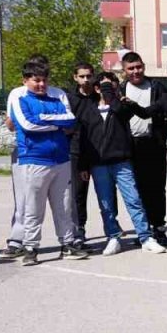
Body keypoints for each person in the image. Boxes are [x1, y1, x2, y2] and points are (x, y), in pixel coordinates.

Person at [71, 72, 166, 255]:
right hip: (99, 164)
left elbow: (129, 112)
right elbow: (82, 139)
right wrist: (83, 165)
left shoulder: (121, 107)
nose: (108, 90)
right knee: (106, 204)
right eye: (104, 87)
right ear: (96, 88)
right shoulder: (89, 111)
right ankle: (113, 237)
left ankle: (145, 237)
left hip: (122, 162)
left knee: (134, 200)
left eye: (112, 86)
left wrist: (112, 95)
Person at [10, 59, 89, 265]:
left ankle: (68, 244)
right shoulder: (20, 97)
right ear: (25, 80)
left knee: (64, 205)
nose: (41, 85)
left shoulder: (57, 96)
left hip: (61, 159)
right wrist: (56, 123)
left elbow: (70, 120)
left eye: (44, 80)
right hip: (34, 161)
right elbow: (27, 125)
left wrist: (44, 118)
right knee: (34, 208)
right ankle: (30, 248)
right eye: (36, 80)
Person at [120, 52, 167, 245]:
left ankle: (159, 228)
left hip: (154, 144)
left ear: (143, 66)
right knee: (137, 189)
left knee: (157, 188)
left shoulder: (157, 86)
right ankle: (144, 230)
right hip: (131, 146)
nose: (136, 71)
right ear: (124, 70)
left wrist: (162, 136)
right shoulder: (121, 89)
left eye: (138, 67)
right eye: (131, 68)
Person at [67, 62, 101, 242]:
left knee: (105, 193)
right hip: (77, 153)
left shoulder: (99, 97)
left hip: (100, 153)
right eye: (82, 76)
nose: (86, 80)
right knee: (78, 194)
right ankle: (79, 229)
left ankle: (112, 228)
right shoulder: (69, 99)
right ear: (75, 78)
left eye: (89, 76)